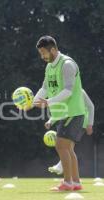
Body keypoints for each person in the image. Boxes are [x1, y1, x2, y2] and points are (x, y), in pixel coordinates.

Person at [34, 35, 92, 191]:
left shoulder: (67, 64)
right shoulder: (49, 67)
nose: (42, 56)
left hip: (72, 111)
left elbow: (69, 90)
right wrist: (33, 101)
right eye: (40, 53)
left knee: (60, 145)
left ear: (53, 49)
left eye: (44, 53)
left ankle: (67, 182)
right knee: (68, 149)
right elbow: (45, 88)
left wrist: (48, 102)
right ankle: (76, 182)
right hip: (64, 113)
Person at [47, 89, 94, 175]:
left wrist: (90, 124)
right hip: (75, 121)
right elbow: (61, 110)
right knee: (69, 147)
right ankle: (72, 178)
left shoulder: (79, 90)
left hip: (79, 121)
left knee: (67, 147)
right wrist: (51, 121)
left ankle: (64, 171)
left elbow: (91, 106)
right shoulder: (64, 92)